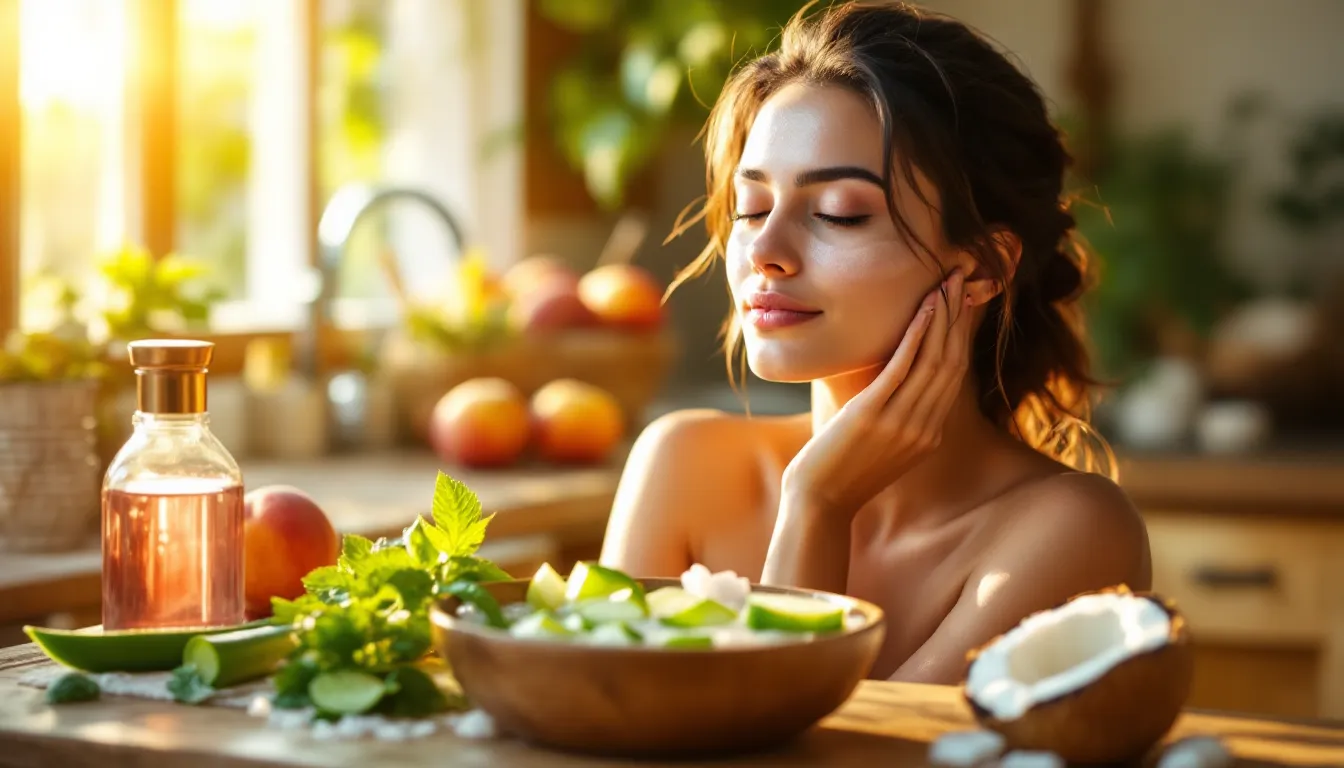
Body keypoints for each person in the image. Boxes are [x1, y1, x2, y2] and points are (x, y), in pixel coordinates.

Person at [598, 0, 1152, 683]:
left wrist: (818, 507)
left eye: (839, 214)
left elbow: (822, 755)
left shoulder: (1071, 533)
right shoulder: (683, 465)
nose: (763, 251)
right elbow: (606, 724)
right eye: (752, 207)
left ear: (980, 267)